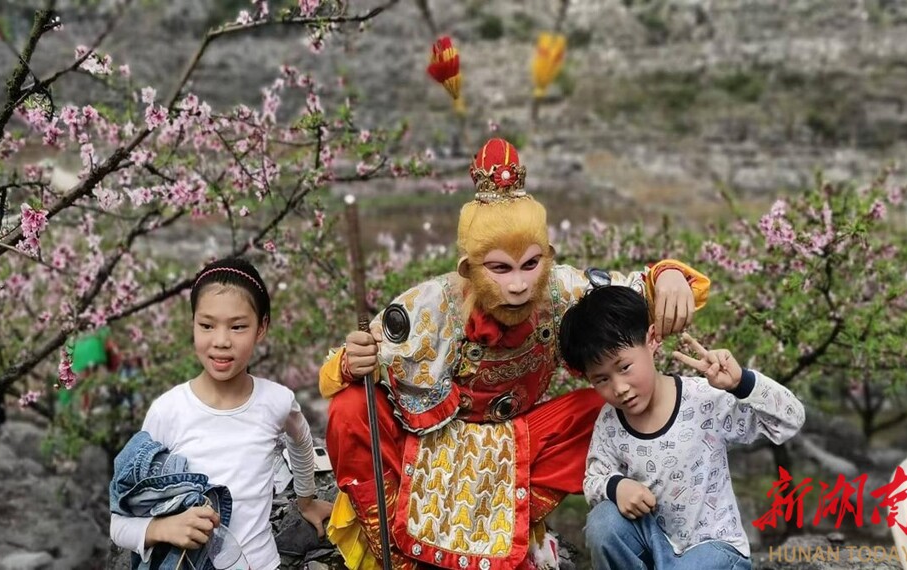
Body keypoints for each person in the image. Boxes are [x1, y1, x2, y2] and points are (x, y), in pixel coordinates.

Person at [319, 137, 712, 570]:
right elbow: (340, 366)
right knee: (352, 406)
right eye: (500, 268)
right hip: (430, 446)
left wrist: (670, 274)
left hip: (518, 441)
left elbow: (637, 291)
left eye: (530, 264)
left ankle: (666, 519)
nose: (520, 285)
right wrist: (351, 360)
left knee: (609, 401)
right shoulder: (429, 305)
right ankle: (397, 550)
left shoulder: (560, 289)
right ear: (468, 269)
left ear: (549, 258)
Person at [559, 285, 805, 570]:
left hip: (715, 549)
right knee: (603, 522)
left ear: (652, 340)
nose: (619, 388)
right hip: (654, 545)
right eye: (601, 379)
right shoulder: (611, 420)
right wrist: (617, 486)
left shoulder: (701, 400)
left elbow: (790, 420)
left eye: (624, 367)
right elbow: (594, 478)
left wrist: (742, 384)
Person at [110, 257, 334, 570]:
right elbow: (119, 523)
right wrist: (160, 529)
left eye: (238, 326)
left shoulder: (277, 401)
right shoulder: (168, 411)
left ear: (262, 328)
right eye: (206, 325)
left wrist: (306, 499)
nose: (221, 341)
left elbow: (302, 441)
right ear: (192, 324)